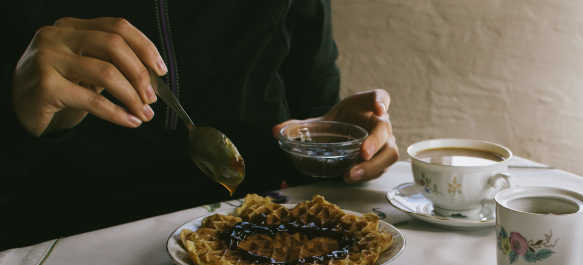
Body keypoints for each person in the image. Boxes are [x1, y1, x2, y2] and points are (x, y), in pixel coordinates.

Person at [0, 2, 398, 250]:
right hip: (63, 253)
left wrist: (333, 146)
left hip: (266, 243)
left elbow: (312, 108)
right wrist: (18, 116)